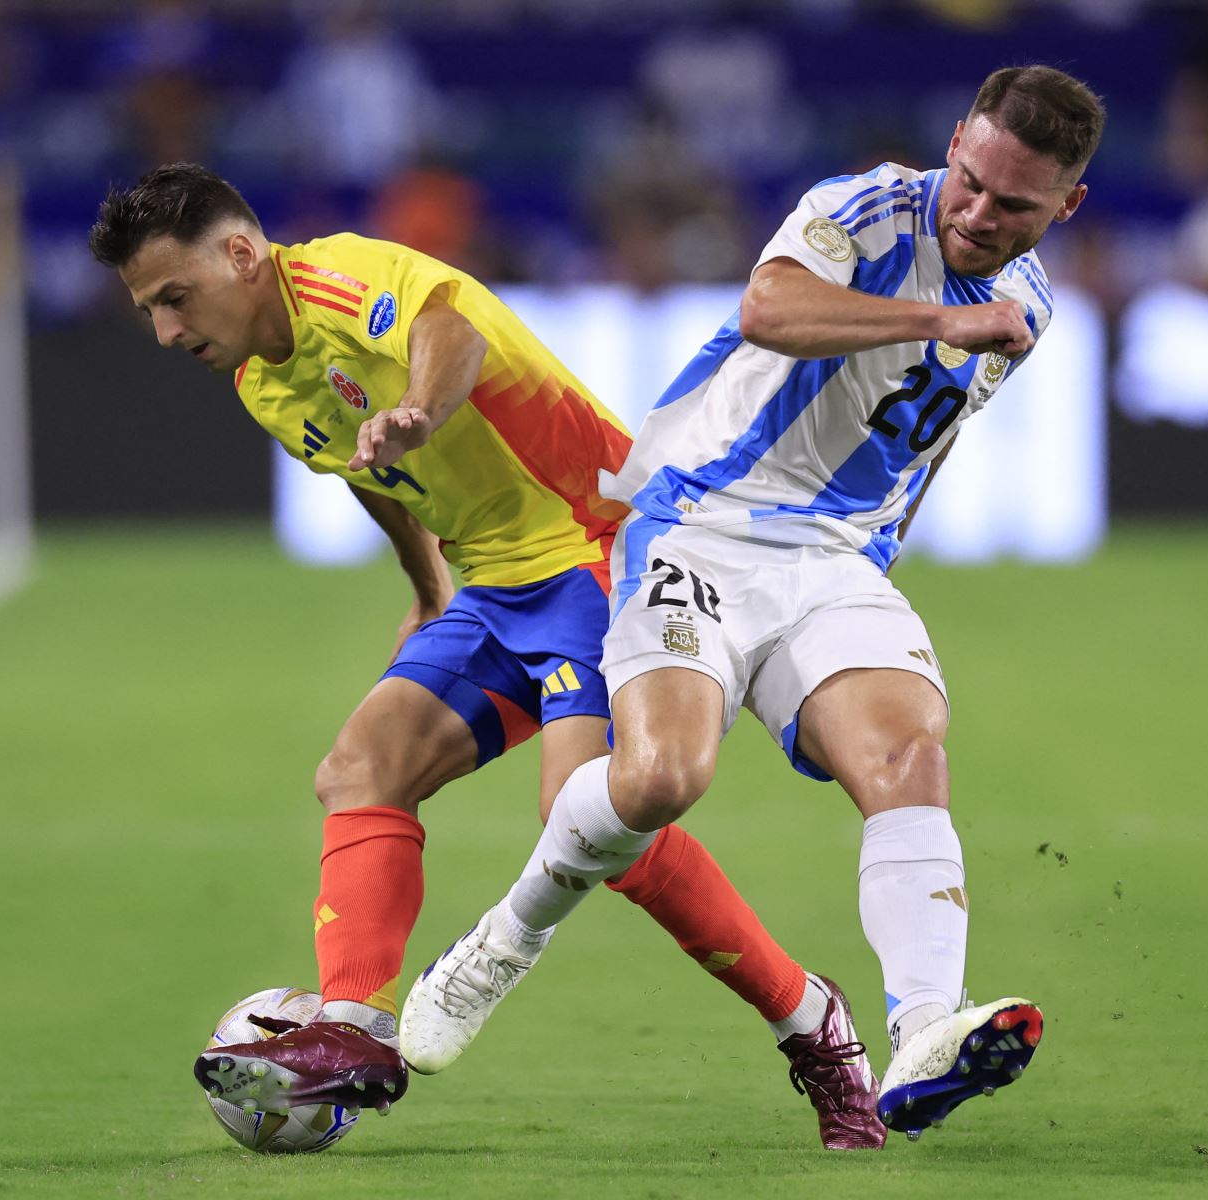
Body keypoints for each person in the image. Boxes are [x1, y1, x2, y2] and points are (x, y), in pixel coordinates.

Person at [87, 164, 887, 1150]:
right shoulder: (261, 378)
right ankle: (353, 1028)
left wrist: (421, 405)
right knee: (361, 770)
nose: (167, 331)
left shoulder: (342, 279)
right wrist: (427, 589)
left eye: (175, 297)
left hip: (601, 549)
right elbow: (362, 463)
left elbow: (449, 327)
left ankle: (810, 1019)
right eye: (148, 311)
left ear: (243, 256)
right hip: (497, 589)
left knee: (589, 815)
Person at [400, 65, 1104, 1141]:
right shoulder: (862, 210)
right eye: (969, 180)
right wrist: (939, 322)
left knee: (910, 757)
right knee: (658, 779)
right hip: (700, 522)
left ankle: (924, 1034)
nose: (975, 212)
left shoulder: (1032, 308)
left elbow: (922, 444)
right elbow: (768, 308)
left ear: (1067, 207)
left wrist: (881, 561)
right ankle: (504, 940)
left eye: (1013, 204)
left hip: (834, 561)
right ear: (955, 139)